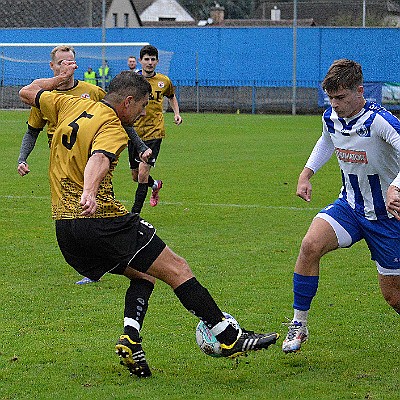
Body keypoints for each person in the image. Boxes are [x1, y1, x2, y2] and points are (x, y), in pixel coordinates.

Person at [19, 62, 279, 378]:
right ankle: (228, 337)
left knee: (145, 276)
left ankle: (131, 338)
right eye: (142, 106)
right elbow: (99, 159)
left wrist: (56, 80)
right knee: (178, 269)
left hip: (66, 229)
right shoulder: (113, 126)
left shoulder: (68, 103)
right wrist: (89, 191)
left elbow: (28, 91)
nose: (143, 114)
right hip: (101, 220)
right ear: (127, 101)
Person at [282, 59, 400, 354]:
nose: (335, 104)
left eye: (341, 98)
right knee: (310, 246)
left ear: (360, 91)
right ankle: (299, 324)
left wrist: (396, 186)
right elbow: (326, 142)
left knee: (393, 297)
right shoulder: (330, 118)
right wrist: (306, 173)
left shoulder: (380, 121)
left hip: (387, 217)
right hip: (349, 207)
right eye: (331, 98)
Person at [17, 45, 107, 285]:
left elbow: (116, 118)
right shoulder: (44, 96)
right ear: (53, 66)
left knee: (88, 212)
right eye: (62, 63)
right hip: (59, 166)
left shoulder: (92, 92)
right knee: (69, 220)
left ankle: (98, 265)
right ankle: (98, 263)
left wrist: (139, 147)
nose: (67, 66)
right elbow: (32, 131)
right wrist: (22, 159)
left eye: (71, 62)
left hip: (88, 162)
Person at [130, 44, 183, 214]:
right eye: (146, 59)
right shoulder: (133, 80)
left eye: (153, 59)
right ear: (141, 61)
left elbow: (172, 96)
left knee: (143, 174)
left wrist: (177, 113)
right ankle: (155, 185)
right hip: (134, 131)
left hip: (154, 131)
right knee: (135, 175)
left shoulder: (163, 81)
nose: (150, 62)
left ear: (157, 61)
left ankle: (134, 215)